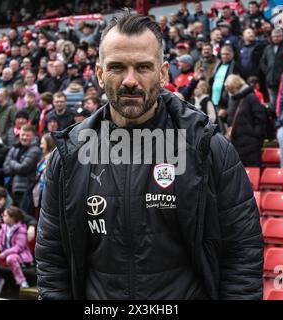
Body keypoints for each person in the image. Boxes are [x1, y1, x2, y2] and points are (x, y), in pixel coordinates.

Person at [36, 10, 263, 300]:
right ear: (99, 73)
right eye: (117, 67)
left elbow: (242, 254)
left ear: (163, 72)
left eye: (143, 67)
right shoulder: (69, 157)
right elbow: (53, 261)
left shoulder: (208, 149)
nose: (130, 80)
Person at [223, 75, 267, 167]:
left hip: (250, 144)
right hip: (236, 142)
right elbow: (232, 118)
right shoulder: (232, 98)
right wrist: (224, 116)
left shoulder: (251, 97)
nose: (230, 92)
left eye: (232, 89)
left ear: (237, 86)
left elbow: (260, 118)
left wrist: (256, 137)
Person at [0, 206, 34, 296]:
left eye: (5, 215)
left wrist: (4, 254)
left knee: (11, 258)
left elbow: (19, 248)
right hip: (4, 253)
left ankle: (22, 282)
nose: (3, 217)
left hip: (20, 255)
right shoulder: (4, 227)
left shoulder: (21, 229)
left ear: (12, 218)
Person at [0, 186, 37, 252]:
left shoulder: (12, 210)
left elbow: (30, 219)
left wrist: (31, 227)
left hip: (8, 247)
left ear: (5, 199)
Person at [3, 124, 42, 211]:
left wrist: (11, 162)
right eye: (22, 135)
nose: (24, 137)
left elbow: (23, 168)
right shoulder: (15, 147)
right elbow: (5, 168)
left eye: (27, 135)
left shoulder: (35, 150)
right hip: (11, 188)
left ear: (33, 136)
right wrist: (16, 166)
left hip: (25, 189)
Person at [32, 133, 57, 212]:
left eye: (42, 143)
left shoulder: (51, 159)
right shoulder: (44, 158)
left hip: (46, 193)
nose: (40, 146)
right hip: (40, 192)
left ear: (49, 144)